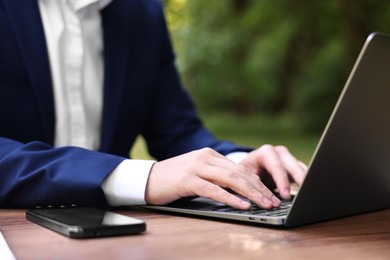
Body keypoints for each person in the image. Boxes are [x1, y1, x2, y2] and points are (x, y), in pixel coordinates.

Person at [0, 0, 307, 209]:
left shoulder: (143, 13)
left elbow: (177, 133)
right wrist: (142, 178)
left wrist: (240, 166)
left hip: (111, 239)